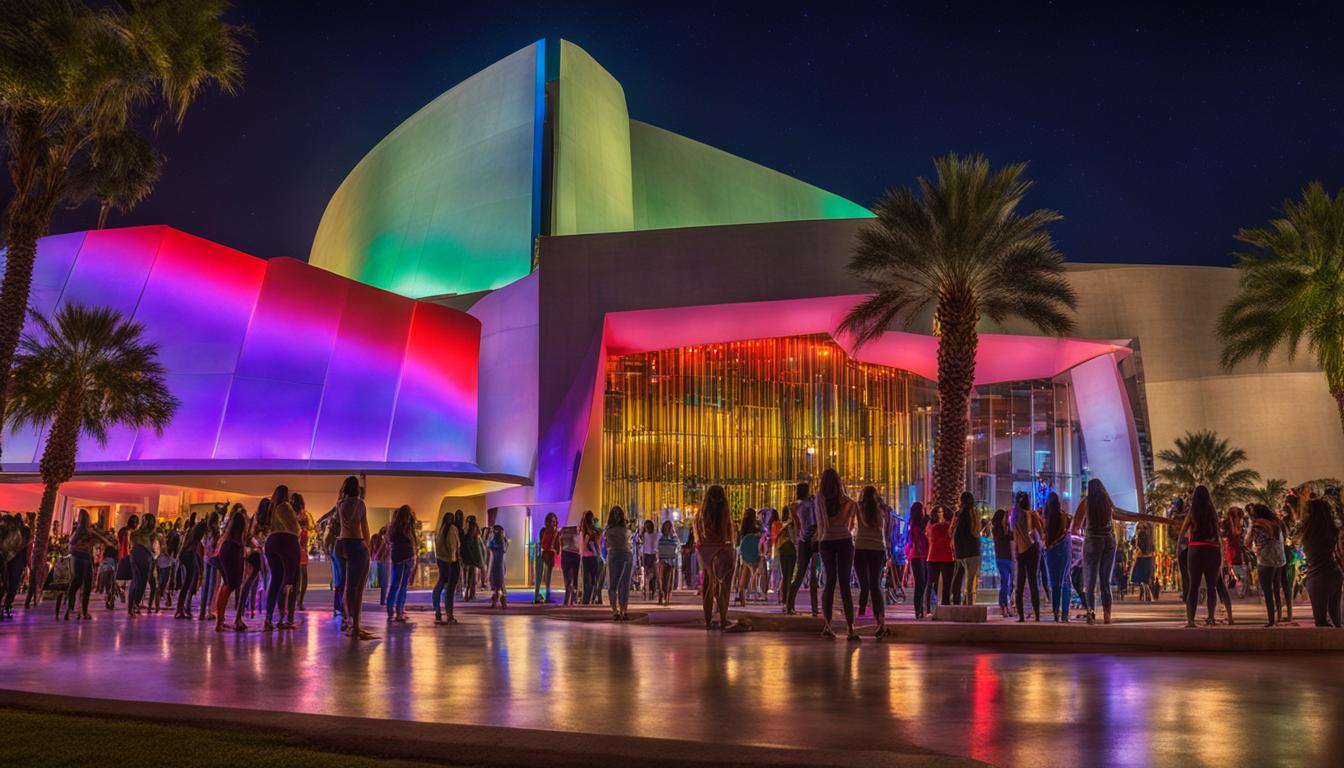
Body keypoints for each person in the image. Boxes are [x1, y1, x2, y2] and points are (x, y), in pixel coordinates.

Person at [815, 468, 859, 641]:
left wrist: (823, 536)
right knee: (845, 584)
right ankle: (850, 628)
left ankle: (827, 625)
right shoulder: (848, 502)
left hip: (826, 541)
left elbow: (821, 524)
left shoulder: (820, 500)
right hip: (844, 541)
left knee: (829, 583)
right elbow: (849, 526)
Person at [1070, 478, 1118, 625]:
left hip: (1092, 541)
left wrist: (1080, 536)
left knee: (1090, 581)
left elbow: (1075, 526)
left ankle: (1091, 612)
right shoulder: (1108, 503)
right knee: (1105, 581)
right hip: (1109, 541)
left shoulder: (1087, 502)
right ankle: (1107, 615)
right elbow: (1117, 516)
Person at [333, 475, 374, 639]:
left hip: (342, 544)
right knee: (357, 589)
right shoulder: (360, 504)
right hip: (356, 544)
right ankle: (356, 626)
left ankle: (348, 620)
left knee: (347, 587)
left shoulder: (340, 504)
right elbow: (364, 527)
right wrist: (369, 547)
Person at [1179, 485, 1224, 628]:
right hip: (1212, 549)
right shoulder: (1212, 513)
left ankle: (1191, 620)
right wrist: (1221, 552)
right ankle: (1211, 618)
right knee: (1212, 586)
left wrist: (1178, 550)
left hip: (1196, 548)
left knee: (1194, 586)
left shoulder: (1192, 512)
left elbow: (1182, 533)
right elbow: (1218, 533)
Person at [694, 485, 736, 630]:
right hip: (722, 548)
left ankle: (708, 621)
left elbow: (698, 533)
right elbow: (727, 533)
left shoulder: (701, 513)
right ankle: (723, 619)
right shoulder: (724, 510)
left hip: (705, 549)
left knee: (708, 584)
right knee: (724, 585)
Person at [263, 485, 302, 631]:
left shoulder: (273, 508)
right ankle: (285, 619)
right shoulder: (285, 506)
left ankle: (268, 619)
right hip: (288, 542)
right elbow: (294, 528)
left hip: (272, 542)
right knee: (290, 581)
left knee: (276, 580)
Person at [854, 486, 891, 638]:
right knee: (875, 585)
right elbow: (887, 532)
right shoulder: (883, 509)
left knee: (864, 584)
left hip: (861, 548)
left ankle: (860, 614)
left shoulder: (858, 507)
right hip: (878, 549)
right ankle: (880, 621)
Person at [1299, 497, 1342, 627]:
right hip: (1334, 575)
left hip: (1317, 578)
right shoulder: (1332, 531)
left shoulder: (1308, 533)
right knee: (1336, 620)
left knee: (1321, 622)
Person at [64, 509, 115, 620]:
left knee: (74, 583)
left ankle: (70, 608)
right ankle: (85, 612)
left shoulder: (75, 532)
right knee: (87, 586)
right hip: (85, 559)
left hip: (75, 559)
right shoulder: (89, 532)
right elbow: (106, 541)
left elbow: (70, 545)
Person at [1247, 503, 1286, 626]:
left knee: (1267, 592)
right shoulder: (1277, 524)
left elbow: (1248, 542)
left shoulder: (1258, 525)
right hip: (1279, 559)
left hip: (1266, 560)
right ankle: (1278, 616)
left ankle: (1270, 621)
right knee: (1276, 589)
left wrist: (1250, 528)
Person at [784, 483, 819, 616]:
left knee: (801, 574)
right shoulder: (812, 501)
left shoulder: (794, 506)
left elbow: (798, 525)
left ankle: (789, 605)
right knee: (813, 575)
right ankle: (814, 609)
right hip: (814, 539)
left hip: (803, 540)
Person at [213, 505, 248, 632]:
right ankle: (219, 622)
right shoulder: (235, 542)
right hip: (231, 552)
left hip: (225, 551)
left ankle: (220, 621)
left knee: (225, 586)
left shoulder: (229, 538)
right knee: (228, 587)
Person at [1010, 492, 1043, 622]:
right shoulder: (1032, 514)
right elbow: (1040, 530)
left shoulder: (1013, 515)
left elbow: (1010, 530)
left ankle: (1021, 616)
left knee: (1020, 584)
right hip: (1033, 550)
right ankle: (1037, 615)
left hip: (1020, 551)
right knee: (1033, 582)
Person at [1040, 492, 1072, 622]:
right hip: (1063, 550)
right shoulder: (1063, 516)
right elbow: (1066, 530)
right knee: (1065, 581)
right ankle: (1064, 613)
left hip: (1051, 552)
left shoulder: (1046, 517)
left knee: (1054, 584)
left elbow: (1044, 534)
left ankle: (1055, 613)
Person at [385, 505, 416, 622]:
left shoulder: (393, 526)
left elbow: (389, 541)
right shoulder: (407, 527)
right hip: (406, 557)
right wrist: (413, 557)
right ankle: (399, 611)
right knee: (403, 586)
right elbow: (412, 543)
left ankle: (390, 610)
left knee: (394, 584)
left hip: (396, 557)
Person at [602, 507, 633, 619]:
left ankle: (615, 610)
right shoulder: (627, 530)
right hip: (626, 554)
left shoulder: (608, 530)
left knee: (613, 583)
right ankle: (623, 610)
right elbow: (629, 544)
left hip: (614, 554)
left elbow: (606, 545)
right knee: (625, 584)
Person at [951, 492, 981, 606]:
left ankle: (959, 601)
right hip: (974, 550)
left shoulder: (962, 514)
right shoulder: (974, 513)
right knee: (970, 579)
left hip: (963, 552)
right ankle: (968, 603)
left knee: (959, 577)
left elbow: (957, 534)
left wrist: (957, 552)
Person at [176, 512, 208, 619]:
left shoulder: (191, 532)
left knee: (186, 585)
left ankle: (180, 609)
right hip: (189, 556)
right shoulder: (195, 538)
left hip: (185, 556)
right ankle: (180, 609)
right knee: (187, 584)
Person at [432, 510, 461, 624]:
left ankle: (438, 611)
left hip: (441, 560)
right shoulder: (452, 529)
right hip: (450, 561)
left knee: (440, 584)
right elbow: (452, 546)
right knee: (450, 589)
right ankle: (449, 615)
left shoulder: (441, 529)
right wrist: (453, 560)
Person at [127, 514, 158, 616]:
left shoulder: (134, 533)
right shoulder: (152, 534)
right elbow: (153, 549)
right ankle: (135, 604)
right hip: (145, 556)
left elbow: (130, 545)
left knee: (135, 581)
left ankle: (131, 607)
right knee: (142, 582)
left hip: (134, 555)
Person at [926, 505, 955, 609]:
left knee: (947, 585)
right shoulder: (931, 525)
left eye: (942, 512)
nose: (940, 514)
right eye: (938, 512)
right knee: (931, 583)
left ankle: (945, 607)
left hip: (947, 556)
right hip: (934, 556)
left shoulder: (948, 525)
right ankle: (929, 608)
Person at [907, 502, 931, 619]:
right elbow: (914, 540)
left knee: (924, 582)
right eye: (922, 509)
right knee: (920, 583)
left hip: (925, 555)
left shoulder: (924, 522)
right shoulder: (914, 525)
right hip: (916, 556)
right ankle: (918, 610)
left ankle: (921, 608)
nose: (923, 511)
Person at [735, 512, 763, 606]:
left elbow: (738, 540)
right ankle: (755, 591)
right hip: (753, 553)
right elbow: (760, 534)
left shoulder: (742, 528)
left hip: (743, 553)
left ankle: (742, 596)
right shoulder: (755, 528)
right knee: (755, 571)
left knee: (743, 574)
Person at [990, 508, 1014, 617]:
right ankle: (1004, 605)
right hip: (1007, 558)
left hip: (1002, 558)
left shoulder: (997, 530)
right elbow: (1009, 538)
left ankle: (1004, 606)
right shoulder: (1003, 531)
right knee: (1007, 583)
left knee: (1006, 583)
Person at [774, 506, 797, 611]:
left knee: (785, 576)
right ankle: (788, 602)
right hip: (790, 550)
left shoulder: (779, 524)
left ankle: (785, 601)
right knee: (789, 577)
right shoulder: (791, 524)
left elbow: (775, 538)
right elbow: (795, 538)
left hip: (783, 550)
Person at [534, 512, 560, 604]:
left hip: (550, 556)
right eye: (552, 521)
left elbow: (557, 546)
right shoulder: (543, 531)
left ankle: (548, 596)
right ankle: (536, 596)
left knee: (548, 578)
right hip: (542, 555)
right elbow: (540, 543)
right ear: (548, 522)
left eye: (555, 521)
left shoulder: (556, 532)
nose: (554, 523)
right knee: (539, 577)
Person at [579, 511, 603, 605]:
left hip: (587, 558)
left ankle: (586, 601)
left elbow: (582, 547)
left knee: (588, 581)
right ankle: (588, 601)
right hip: (594, 557)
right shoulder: (594, 531)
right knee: (592, 581)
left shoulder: (585, 531)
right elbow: (598, 544)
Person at [1130, 521, 1156, 602]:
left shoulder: (1146, 536)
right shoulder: (1139, 536)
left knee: (1144, 579)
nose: (1139, 529)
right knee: (1143, 580)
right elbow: (1132, 543)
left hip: (1144, 559)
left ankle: (1148, 595)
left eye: (1141, 528)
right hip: (1143, 559)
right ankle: (1148, 595)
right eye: (1138, 528)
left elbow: (1137, 545)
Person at [293, 493, 311, 611]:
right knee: (298, 575)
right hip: (295, 545)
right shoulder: (296, 514)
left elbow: (307, 528)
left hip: (301, 546)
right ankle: (297, 600)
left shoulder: (303, 514)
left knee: (302, 574)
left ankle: (299, 601)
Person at [460, 516, 484, 601]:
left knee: (469, 578)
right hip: (471, 560)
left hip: (468, 559)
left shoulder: (467, 532)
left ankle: (469, 594)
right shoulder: (474, 534)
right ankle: (469, 594)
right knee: (471, 578)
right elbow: (477, 549)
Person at [656, 520, 679, 606]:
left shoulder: (672, 538)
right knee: (663, 579)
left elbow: (676, 547)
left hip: (669, 560)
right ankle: (662, 596)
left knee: (666, 579)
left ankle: (665, 597)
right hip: (664, 560)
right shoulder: (662, 537)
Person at [487, 523, 510, 609]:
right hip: (498, 564)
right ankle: (500, 601)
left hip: (497, 564)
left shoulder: (496, 541)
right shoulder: (501, 541)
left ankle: (498, 601)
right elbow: (504, 549)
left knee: (498, 584)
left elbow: (489, 547)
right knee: (499, 584)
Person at [558, 521, 581, 606]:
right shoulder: (563, 530)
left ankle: (572, 599)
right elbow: (560, 543)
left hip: (574, 554)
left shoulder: (577, 529)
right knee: (567, 579)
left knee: (574, 578)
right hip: (567, 554)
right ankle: (568, 599)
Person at [370, 526, 389, 606]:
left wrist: (372, 558)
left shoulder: (375, 537)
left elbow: (371, 548)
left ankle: (378, 600)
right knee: (383, 582)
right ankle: (382, 600)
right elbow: (387, 551)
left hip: (376, 561)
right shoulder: (385, 540)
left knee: (375, 581)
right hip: (382, 561)